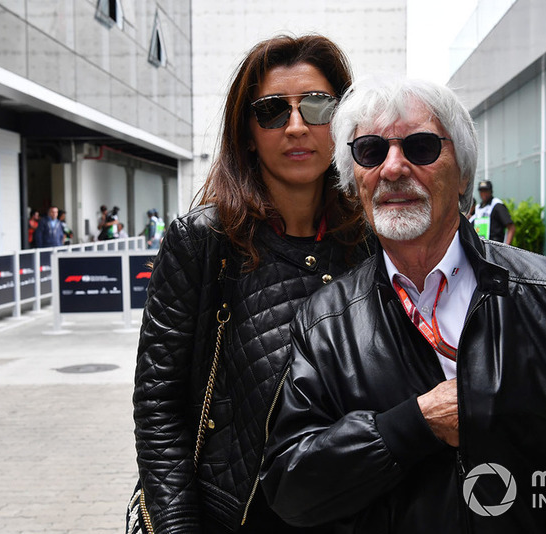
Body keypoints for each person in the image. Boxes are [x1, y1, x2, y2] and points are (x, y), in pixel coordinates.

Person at [260, 77, 546, 533]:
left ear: (464, 173)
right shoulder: (325, 322)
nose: (393, 168)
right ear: (354, 179)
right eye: (370, 150)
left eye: (422, 146)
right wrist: (413, 425)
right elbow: (291, 490)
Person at [131, 34, 373, 534]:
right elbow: (159, 403)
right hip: (235, 514)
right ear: (246, 132)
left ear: (344, 120)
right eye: (270, 112)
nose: (295, 126)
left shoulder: (374, 242)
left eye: (317, 105)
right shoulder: (203, 241)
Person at [470, 179, 515, 244]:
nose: (483, 193)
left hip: (495, 247)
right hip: (481, 248)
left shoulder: (497, 205)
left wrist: (506, 247)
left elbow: (511, 227)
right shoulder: (478, 208)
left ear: (491, 191)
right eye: (481, 191)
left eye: (486, 190)